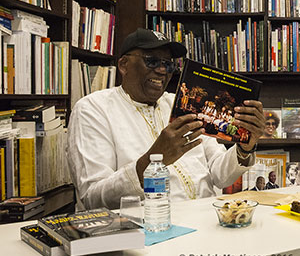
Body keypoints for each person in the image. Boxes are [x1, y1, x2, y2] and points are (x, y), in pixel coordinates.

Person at [66, 28, 265, 210]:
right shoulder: (92, 109)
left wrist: (245, 147)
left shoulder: (180, 104)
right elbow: (93, 198)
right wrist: (152, 161)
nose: (162, 71)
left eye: (168, 65)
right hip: (148, 232)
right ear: (124, 65)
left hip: (207, 220)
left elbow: (219, 175)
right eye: (151, 61)